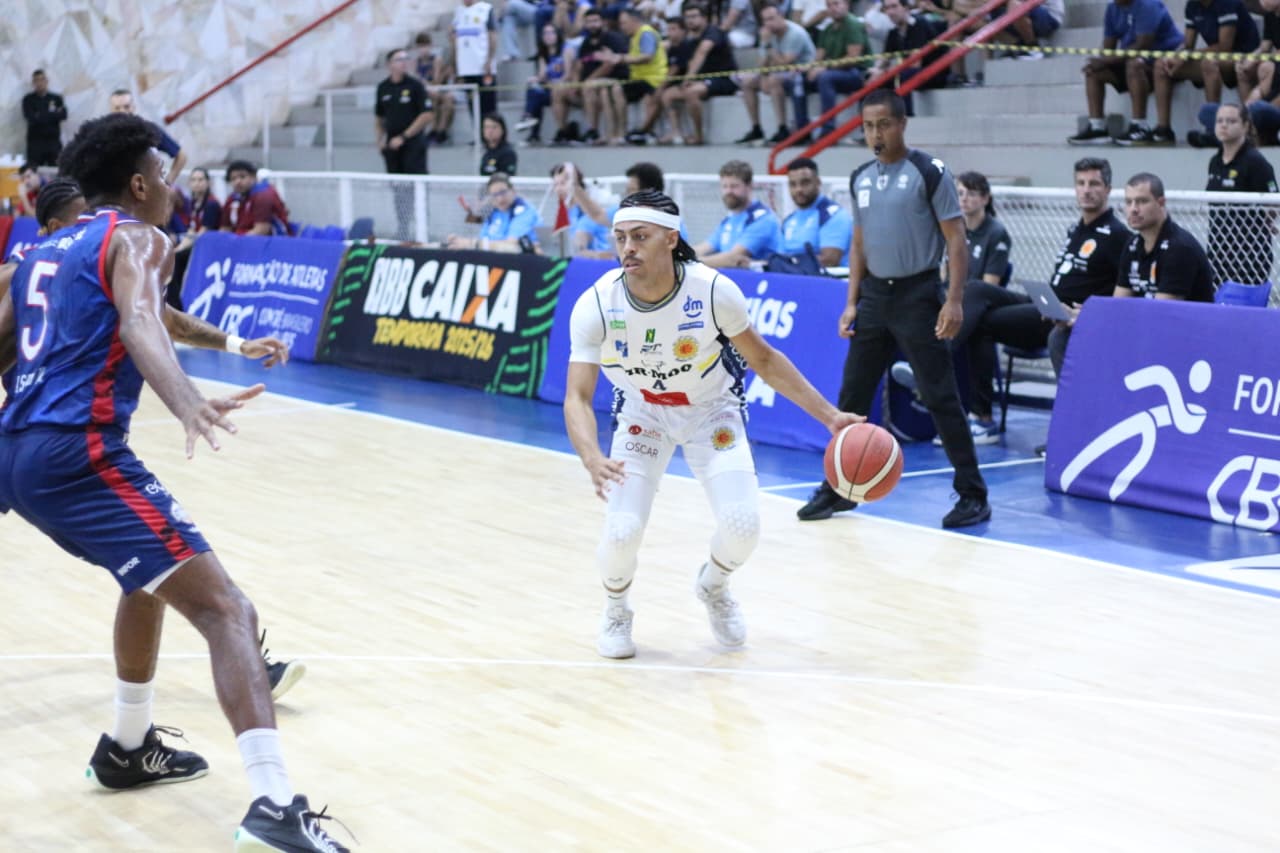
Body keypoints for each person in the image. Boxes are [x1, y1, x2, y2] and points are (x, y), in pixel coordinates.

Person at [0, 113, 345, 852]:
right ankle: (274, 806)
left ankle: (128, 746)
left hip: (16, 449)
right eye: (163, 174)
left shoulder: (40, 252)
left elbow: (10, 343)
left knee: (145, 576)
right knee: (227, 609)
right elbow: (139, 323)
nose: (172, 188)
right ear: (136, 183)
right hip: (79, 453)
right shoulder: (140, 238)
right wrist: (187, 400)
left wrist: (226, 343)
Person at [3, 177, 308, 698]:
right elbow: (146, 323)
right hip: (55, 442)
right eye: (82, 218)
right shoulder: (38, 267)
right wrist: (188, 401)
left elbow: (162, 318)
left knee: (150, 564)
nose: (95, 226)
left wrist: (237, 344)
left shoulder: (61, 266)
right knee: (171, 560)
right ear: (55, 227)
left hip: (29, 441)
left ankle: (145, 722)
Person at [563, 189, 862, 658]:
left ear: (670, 239)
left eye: (640, 236)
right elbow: (577, 396)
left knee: (743, 526)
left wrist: (829, 416)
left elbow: (765, 360)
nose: (627, 248)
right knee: (621, 533)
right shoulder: (597, 303)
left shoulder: (711, 291)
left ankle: (714, 584)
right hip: (643, 413)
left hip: (711, 410)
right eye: (620, 238)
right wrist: (591, 457)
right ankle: (617, 610)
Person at [797, 89, 991, 528]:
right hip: (874, 299)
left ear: (902, 124)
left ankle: (973, 494)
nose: (875, 134)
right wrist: (851, 302)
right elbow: (859, 243)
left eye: (883, 124)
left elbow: (956, 240)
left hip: (918, 295)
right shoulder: (861, 177)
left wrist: (954, 299)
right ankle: (839, 489)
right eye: (868, 126)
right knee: (851, 396)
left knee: (940, 395)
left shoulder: (929, 171)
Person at [894, 170, 1013, 444]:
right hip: (955, 301)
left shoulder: (996, 233)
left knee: (975, 319)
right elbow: (944, 278)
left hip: (983, 305)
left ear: (986, 198)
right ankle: (911, 408)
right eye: (960, 193)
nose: (964, 199)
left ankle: (926, 370)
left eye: (971, 193)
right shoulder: (953, 229)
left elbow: (990, 285)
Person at [1142, 0, 1261, 147]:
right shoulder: (1192, 6)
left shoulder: (1228, 3)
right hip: (1216, 58)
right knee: (1162, 65)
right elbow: (1188, 45)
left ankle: (1213, 128)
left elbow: (1225, 46)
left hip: (1243, 57)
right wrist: (1177, 56)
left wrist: (1186, 56)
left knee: (1208, 63)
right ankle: (1163, 129)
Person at [1065, 0, 1184, 145]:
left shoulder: (1148, 5)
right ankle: (1097, 127)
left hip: (1165, 62)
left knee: (1134, 64)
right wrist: (1101, 60)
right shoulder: (1112, 9)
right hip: (1133, 61)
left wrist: (1106, 61)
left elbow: (1143, 44)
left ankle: (1139, 126)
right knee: (1093, 70)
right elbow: (1109, 47)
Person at [1202, 103, 1278, 285]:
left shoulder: (1256, 162)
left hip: (1249, 252)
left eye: (1231, 121)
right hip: (1218, 248)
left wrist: (1266, 221)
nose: (1224, 125)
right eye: (1220, 121)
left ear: (1245, 126)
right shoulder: (1215, 161)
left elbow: (1273, 201)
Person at [1114, 172, 1216, 301]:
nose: (1133, 209)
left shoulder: (1180, 248)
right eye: (1129, 202)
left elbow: (1162, 310)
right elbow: (1118, 303)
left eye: (1142, 201)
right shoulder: (1132, 245)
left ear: (1161, 203)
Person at [734, 2, 817, 145]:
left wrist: (768, 46)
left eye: (771, 18)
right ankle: (756, 128)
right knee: (747, 83)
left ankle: (782, 128)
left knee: (774, 80)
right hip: (779, 72)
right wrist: (763, 76)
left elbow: (784, 63)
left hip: (803, 73)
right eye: (765, 20)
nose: (768, 23)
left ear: (781, 16)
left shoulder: (795, 33)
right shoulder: (767, 35)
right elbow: (762, 65)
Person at [663, 1, 738, 147]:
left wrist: (688, 78)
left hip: (724, 79)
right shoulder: (689, 40)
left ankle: (698, 136)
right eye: (687, 17)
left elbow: (702, 52)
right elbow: (687, 61)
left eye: (694, 16)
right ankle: (676, 133)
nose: (690, 20)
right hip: (702, 80)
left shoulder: (713, 32)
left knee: (691, 92)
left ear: (704, 18)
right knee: (667, 95)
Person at [598, 6, 669, 144]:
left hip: (652, 79)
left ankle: (622, 132)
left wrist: (620, 58)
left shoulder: (646, 33)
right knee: (605, 91)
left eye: (624, 23)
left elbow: (647, 56)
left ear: (635, 21)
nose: (621, 27)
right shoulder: (634, 37)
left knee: (616, 89)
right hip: (638, 78)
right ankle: (612, 132)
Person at [693, 160, 782, 268]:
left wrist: (692, 262)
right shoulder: (729, 220)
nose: (728, 191)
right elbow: (703, 248)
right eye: (724, 186)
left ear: (749, 186)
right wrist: (681, 255)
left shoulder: (763, 219)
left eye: (734, 186)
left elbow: (734, 259)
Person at [808, 0, 872, 138]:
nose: (832, 8)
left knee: (825, 77)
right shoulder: (828, 29)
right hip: (837, 71)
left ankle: (828, 129)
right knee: (798, 79)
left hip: (858, 72)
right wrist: (810, 68)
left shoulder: (853, 24)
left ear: (846, 4)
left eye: (836, 3)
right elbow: (819, 56)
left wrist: (824, 67)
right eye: (829, 5)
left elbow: (852, 58)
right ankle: (802, 129)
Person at [777, 157, 853, 267]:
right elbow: (780, 257)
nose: (798, 189)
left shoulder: (833, 216)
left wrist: (787, 263)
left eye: (805, 183)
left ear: (818, 183)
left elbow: (829, 261)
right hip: (794, 275)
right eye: (793, 184)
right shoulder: (789, 221)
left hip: (823, 278)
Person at [108, 89, 188, 184]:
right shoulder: (103, 135)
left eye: (126, 107)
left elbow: (181, 156)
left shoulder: (147, 130)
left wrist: (167, 182)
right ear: (111, 110)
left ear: (133, 107)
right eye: (117, 108)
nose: (123, 111)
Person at [446, 172, 541, 251]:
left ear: (513, 190)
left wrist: (471, 244)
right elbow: (483, 240)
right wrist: (458, 243)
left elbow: (512, 246)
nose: (500, 199)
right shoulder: (493, 213)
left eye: (503, 192)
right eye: (494, 195)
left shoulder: (525, 211)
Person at [375, 48, 433, 177]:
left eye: (406, 59)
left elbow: (427, 114)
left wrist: (404, 137)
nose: (404, 62)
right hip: (392, 143)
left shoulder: (415, 85)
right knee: (396, 182)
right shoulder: (383, 87)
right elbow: (379, 116)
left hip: (413, 141)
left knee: (415, 179)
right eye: (399, 60)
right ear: (389, 64)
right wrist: (379, 140)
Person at [514, 23, 571, 144]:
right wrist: (535, 79)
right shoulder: (543, 54)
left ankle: (529, 121)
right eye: (545, 33)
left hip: (563, 88)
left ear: (557, 34)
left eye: (551, 32)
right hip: (550, 88)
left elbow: (569, 74)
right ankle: (530, 123)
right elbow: (542, 76)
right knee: (533, 90)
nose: (548, 36)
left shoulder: (565, 50)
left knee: (536, 96)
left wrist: (557, 82)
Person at [551, 162, 613, 256]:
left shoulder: (588, 212)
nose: (558, 189)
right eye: (555, 184)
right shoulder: (565, 212)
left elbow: (578, 249)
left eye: (563, 183)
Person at [452, 0, 499, 118]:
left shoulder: (486, 9)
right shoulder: (458, 11)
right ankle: (477, 129)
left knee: (489, 109)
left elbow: (492, 35)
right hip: (466, 69)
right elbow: (454, 37)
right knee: (473, 108)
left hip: (483, 67)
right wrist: (456, 66)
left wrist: (489, 60)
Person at [220, 161, 291, 237]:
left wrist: (236, 242)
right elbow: (225, 228)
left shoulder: (263, 196)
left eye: (242, 177)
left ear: (254, 177)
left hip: (272, 241)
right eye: (233, 179)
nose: (238, 182)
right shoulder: (233, 198)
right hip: (243, 238)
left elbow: (261, 230)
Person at [22, 69, 67, 168]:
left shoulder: (56, 98)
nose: (40, 83)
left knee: (57, 172)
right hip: (35, 144)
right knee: (33, 173)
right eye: (36, 80)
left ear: (47, 81)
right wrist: (52, 114)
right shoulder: (28, 100)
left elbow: (63, 115)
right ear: (33, 83)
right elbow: (31, 118)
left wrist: (39, 114)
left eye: (42, 79)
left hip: (53, 143)